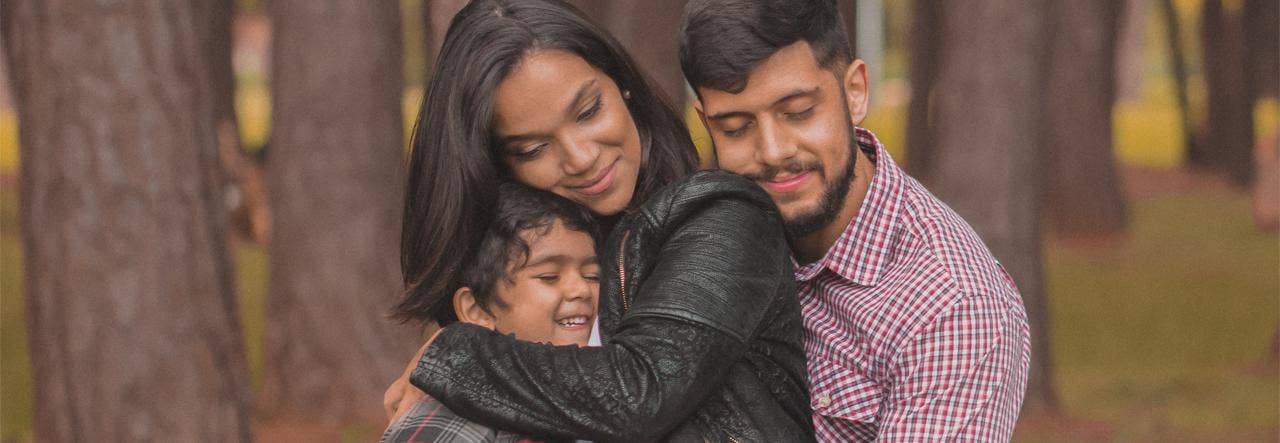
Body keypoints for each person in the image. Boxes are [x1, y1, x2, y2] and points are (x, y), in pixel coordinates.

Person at [384, 0, 813, 441]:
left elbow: (641, 394)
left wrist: (457, 353)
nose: (582, 158)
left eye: (589, 111)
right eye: (533, 149)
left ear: (621, 83)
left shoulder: (723, 215)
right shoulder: (519, 298)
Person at [679, 0, 1032, 440]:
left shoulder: (952, 307)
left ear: (855, 91)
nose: (772, 151)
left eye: (798, 112)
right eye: (735, 127)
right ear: (707, 124)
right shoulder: (706, 231)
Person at [381, 183, 599, 443]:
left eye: (593, 275)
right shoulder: (454, 419)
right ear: (476, 310)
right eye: (549, 276)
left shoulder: (572, 404)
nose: (582, 289)